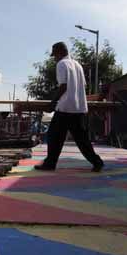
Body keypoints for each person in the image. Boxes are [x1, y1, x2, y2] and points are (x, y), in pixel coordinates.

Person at [35, 41, 104, 172]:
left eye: (54, 55)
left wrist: (52, 103)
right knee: (82, 139)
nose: (54, 58)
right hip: (79, 109)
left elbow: (63, 86)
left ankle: (50, 163)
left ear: (60, 52)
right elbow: (82, 87)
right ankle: (97, 162)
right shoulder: (77, 65)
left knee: (54, 136)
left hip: (65, 108)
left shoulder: (61, 64)